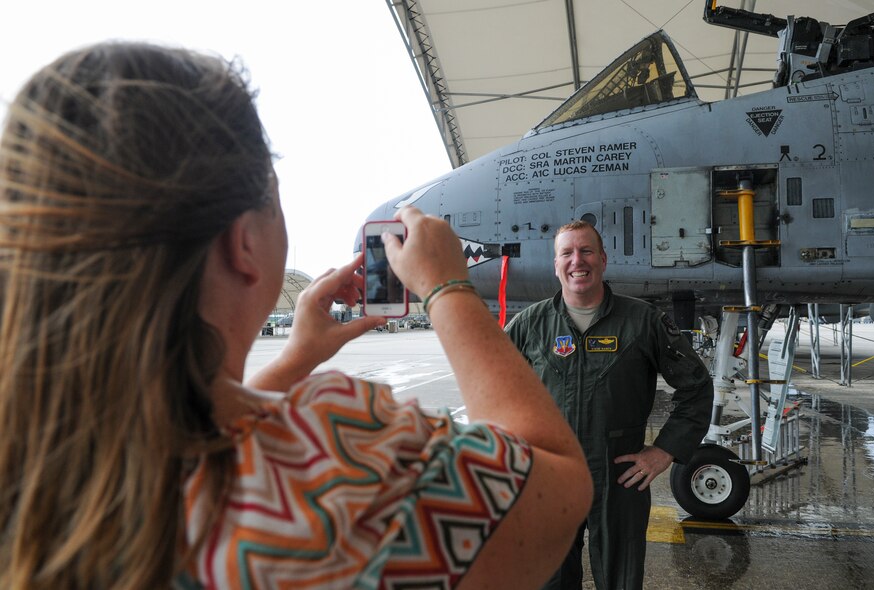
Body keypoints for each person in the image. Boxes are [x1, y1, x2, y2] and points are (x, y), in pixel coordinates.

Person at [0, 42, 592, 589]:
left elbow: (195, 434)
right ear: (243, 244)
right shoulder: (336, 454)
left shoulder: (36, 472)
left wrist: (293, 361)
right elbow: (560, 485)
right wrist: (447, 288)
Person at [505, 220, 713, 590]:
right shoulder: (529, 325)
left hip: (619, 478)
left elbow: (696, 387)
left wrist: (665, 450)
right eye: (566, 253)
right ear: (555, 265)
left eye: (586, 251)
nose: (576, 261)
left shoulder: (642, 321)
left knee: (620, 581)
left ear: (602, 259)